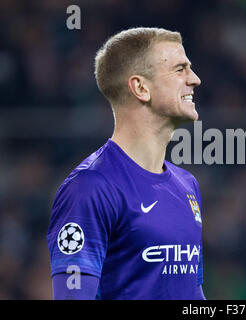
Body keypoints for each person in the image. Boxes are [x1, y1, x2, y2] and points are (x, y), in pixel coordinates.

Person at [46, 27, 204, 300]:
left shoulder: (187, 185)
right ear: (141, 88)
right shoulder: (90, 188)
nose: (195, 79)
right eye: (180, 69)